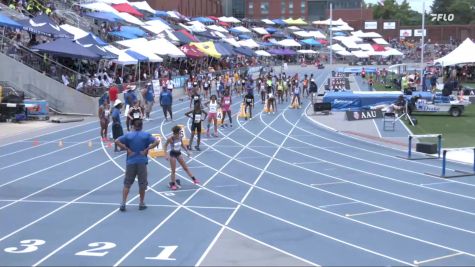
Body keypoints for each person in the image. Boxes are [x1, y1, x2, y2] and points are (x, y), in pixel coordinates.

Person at [115, 119, 160, 212]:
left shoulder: (128, 135)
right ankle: (141, 203)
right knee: (142, 184)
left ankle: (123, 203)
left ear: (133, 126)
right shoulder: (146, 135)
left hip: (131, 162)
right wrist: (146, 149)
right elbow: (157, 141)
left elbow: (116, 141)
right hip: (142, 162)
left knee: (127, 184)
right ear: (142, 126)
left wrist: (127, 149)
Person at [164, 126, 200, 190]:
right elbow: (165, 145)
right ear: (176, 133)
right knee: (173, 170)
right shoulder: (171, 138)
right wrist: (166, 154)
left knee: (185, 167)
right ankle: (172, 184)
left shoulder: (180, 137)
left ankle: (194, 179)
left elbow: (182, 145)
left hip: (178, 153)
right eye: (179, 132)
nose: (181, 133)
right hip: (173, 154)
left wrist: (187, 151)